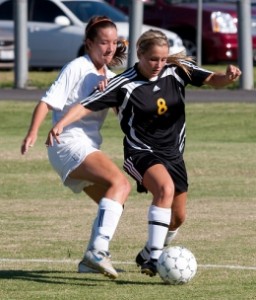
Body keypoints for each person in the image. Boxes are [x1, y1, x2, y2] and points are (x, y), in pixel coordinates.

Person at [45, 29, 241, 277]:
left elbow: (213, 79)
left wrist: (228, 77)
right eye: (153, 59)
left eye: (162, 59)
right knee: (164, 189)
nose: (158, 64)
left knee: (178, 217)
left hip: (173, 154)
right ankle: (156, 259)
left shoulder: (177, 70)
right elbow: (85, 105)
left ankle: (148, 252)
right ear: (139, 54)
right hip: (140, 151)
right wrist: (61, 124)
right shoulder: (122, 83)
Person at [21, 16, 131, 280]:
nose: (109, 48)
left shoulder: (111, 77)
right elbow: (47, 102)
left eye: (114, 43)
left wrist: (115, 95)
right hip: (67, 143)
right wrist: (32, 132)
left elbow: (123, 117)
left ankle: (89, 260)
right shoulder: (77, 67)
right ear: (89, 43)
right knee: (121, 185)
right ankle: (97, 251)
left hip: (84, 146)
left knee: (114, 200)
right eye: (103, 42)